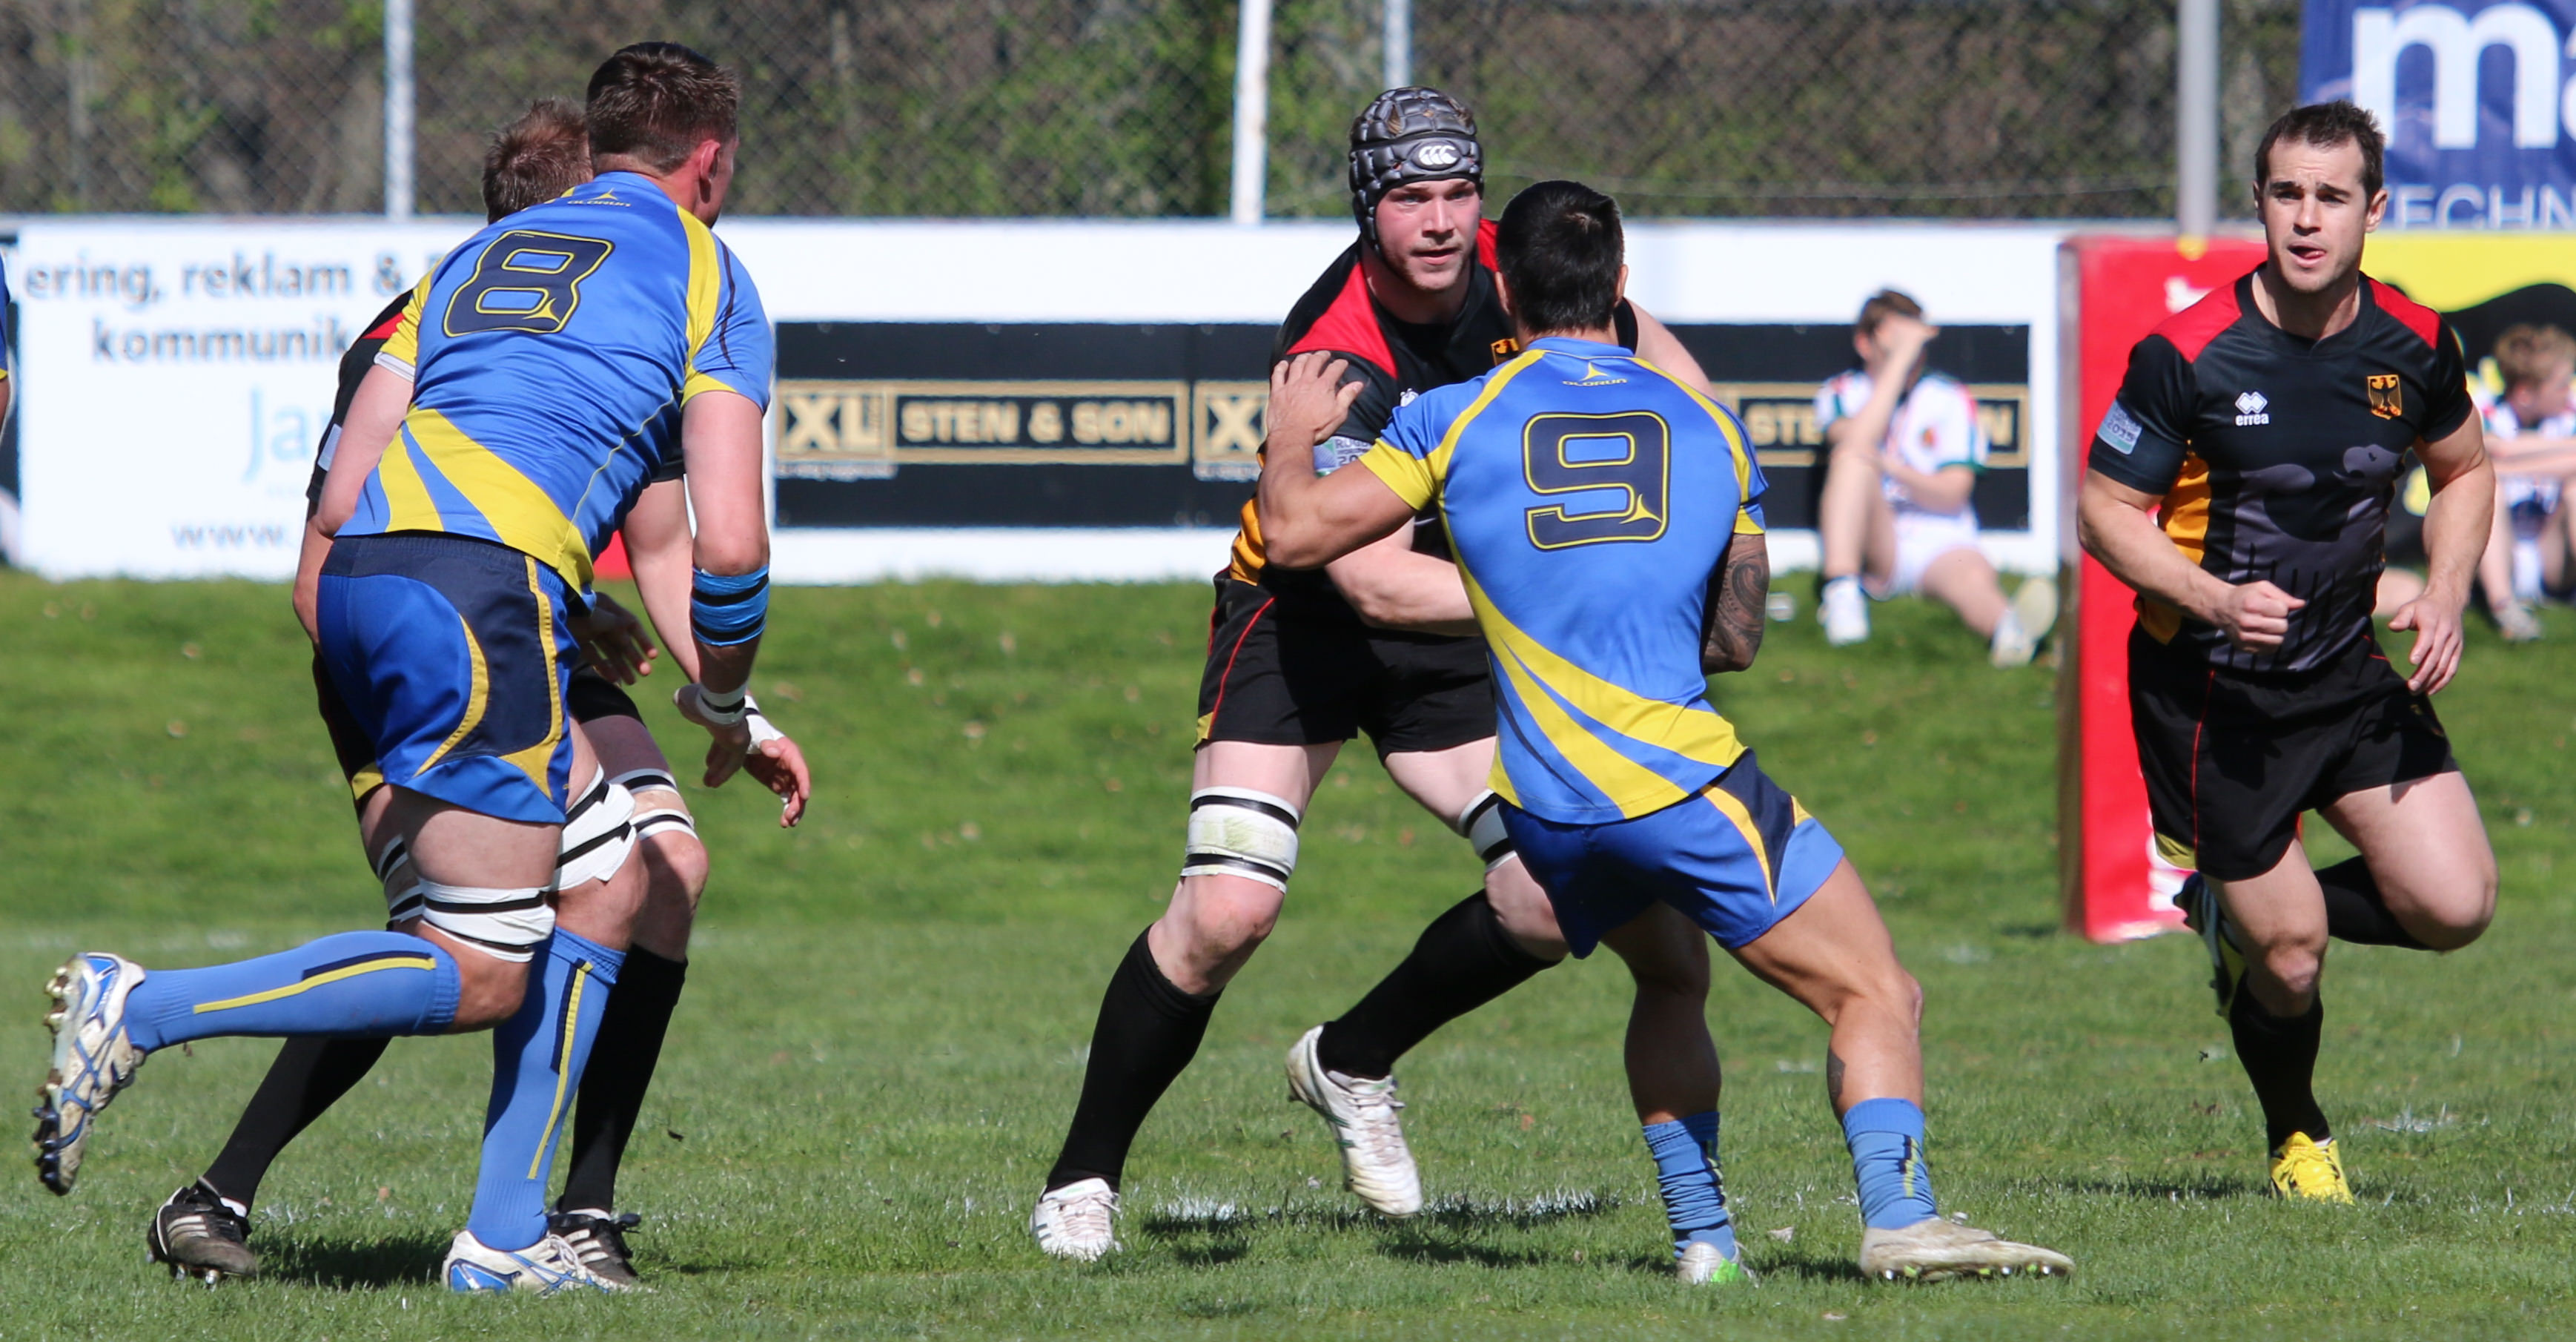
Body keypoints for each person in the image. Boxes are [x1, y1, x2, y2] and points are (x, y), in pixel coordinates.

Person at [31, 42, 782, 1295]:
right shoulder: (709, 271)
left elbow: (339, 501)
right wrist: (719, 695)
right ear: (708, 161)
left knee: (620, 876)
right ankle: (145, 1008)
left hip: (382, 580)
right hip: (481, 596)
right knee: (478, 966)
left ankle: (506, 1239)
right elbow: (732, 545)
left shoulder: (464, 264)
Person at [1252, 178, 2073, 1283]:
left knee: (1672, 979)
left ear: (1505, 290)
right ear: (1621, 287)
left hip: (1545, 807)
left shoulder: (1453, 416)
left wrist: (1289, 435)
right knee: (1877, 991)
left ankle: (1704, 1243)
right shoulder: (1707, 427)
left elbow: (1296, 535)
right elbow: (1735, 639)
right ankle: (1901, 1215)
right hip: (1676, 787)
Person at [1030, 87, 1734, 1278]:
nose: (1442, 222)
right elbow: (1369, 585)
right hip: (1303, 623)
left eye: (1459, 193)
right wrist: (1575, 594)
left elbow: (1683, 400)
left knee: (1546, 894)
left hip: (1452, 623)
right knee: (1226, 909)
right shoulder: (1335, 348)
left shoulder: (1524, 277)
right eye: (1411, 198)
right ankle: (1080, 1177)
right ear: (1368, 209)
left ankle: (1350, 1060)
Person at [2076, 101, 2497, 1202]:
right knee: (2294, 954)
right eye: (2285, 194)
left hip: (2346, 673)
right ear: (2258, 202)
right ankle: (2296, 1131)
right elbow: (2102, 513)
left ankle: (2237, 909)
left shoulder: (2414, 340)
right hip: (2214, 697)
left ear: (2373, 209)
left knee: (2455, 905)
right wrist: (2210, 596)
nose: (2306, 219)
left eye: (2330, 197)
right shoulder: (2185, 353)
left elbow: (2463, 468)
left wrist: (2445, 589)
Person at [1813, 291, 2055, 666]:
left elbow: (1952, 493)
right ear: (1864, 343)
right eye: (1896, 339)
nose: (1911, 351)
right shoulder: (1842, 391)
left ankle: (2009, 632)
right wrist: (1897, 364)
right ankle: (1842, 593)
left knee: (1970, 580)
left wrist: (1892, 468)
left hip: (1940, 536)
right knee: (1853, 459)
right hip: (1878, 536)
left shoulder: (1949, 396)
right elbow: (1854, 444)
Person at [2471, 323, 2576, 640]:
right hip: (2501, 553)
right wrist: (2561, 454)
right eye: (2561, 385)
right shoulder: (2485, 409)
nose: (2568, 391)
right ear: (2526, 394)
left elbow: (2500, 452)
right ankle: (2505, 609)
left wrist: (2508, 463)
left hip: (2551, 554)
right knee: (2485, 488)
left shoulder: (2568, 413)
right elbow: (2488, 449)